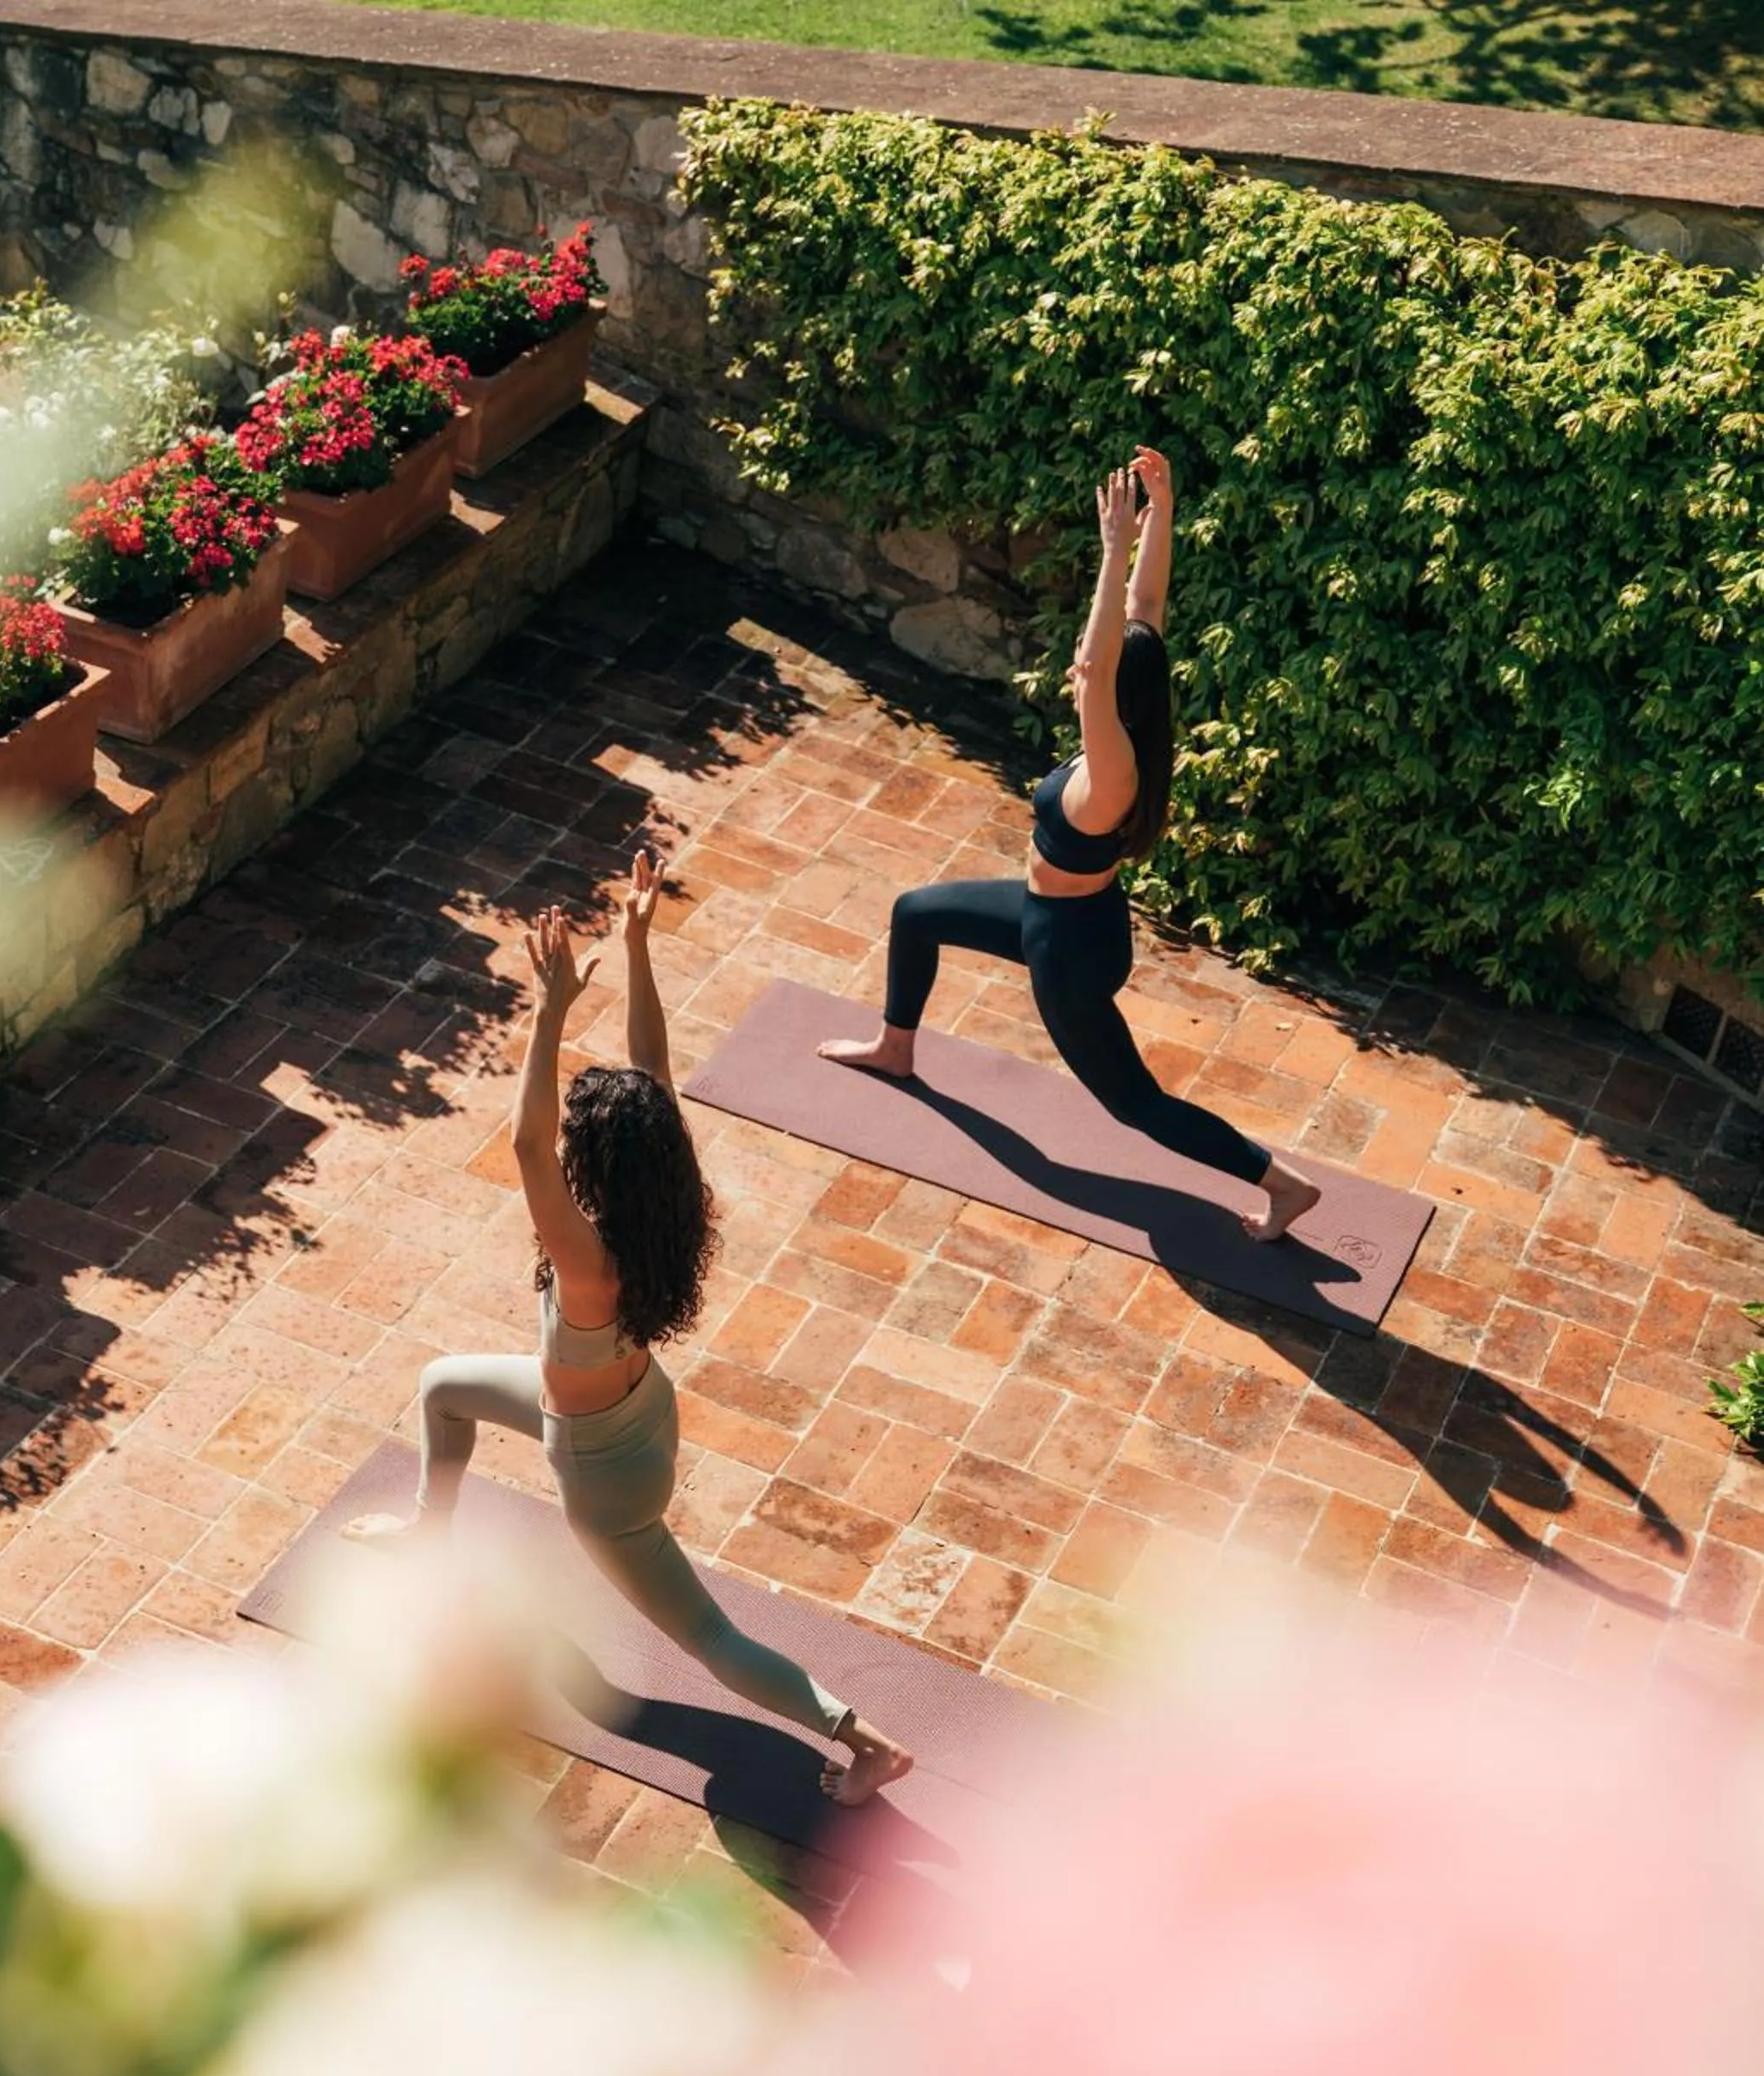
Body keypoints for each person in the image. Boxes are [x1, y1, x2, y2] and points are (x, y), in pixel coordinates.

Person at [347, 855, 914, 1808]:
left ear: (596, 1162)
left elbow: (526, 1144)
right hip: (635, 1408)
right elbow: (653, 1073)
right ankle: (427, 1528)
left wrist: (553, 1008)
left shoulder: (588, 1262)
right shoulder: (664, 1198)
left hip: (606, 1477)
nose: (564, 1144)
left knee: (705, 1639)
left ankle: (866, 1742)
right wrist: (640, 944)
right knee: (444, 1385)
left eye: (580, 1139)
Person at [821, 449, 1322, 1243]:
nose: (1091, 665)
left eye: (1105, 669)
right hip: (1054, 913)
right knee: (917, 912)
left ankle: (1282, 1184)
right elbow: (1146, 607)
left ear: (1118, 689)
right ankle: (895, 1047)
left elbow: (1091, 667)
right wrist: (1161, 509)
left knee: (1135, 1106)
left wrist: (1113, 544)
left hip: (1069, 952)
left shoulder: (1115, 766)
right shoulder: (1137, 721)